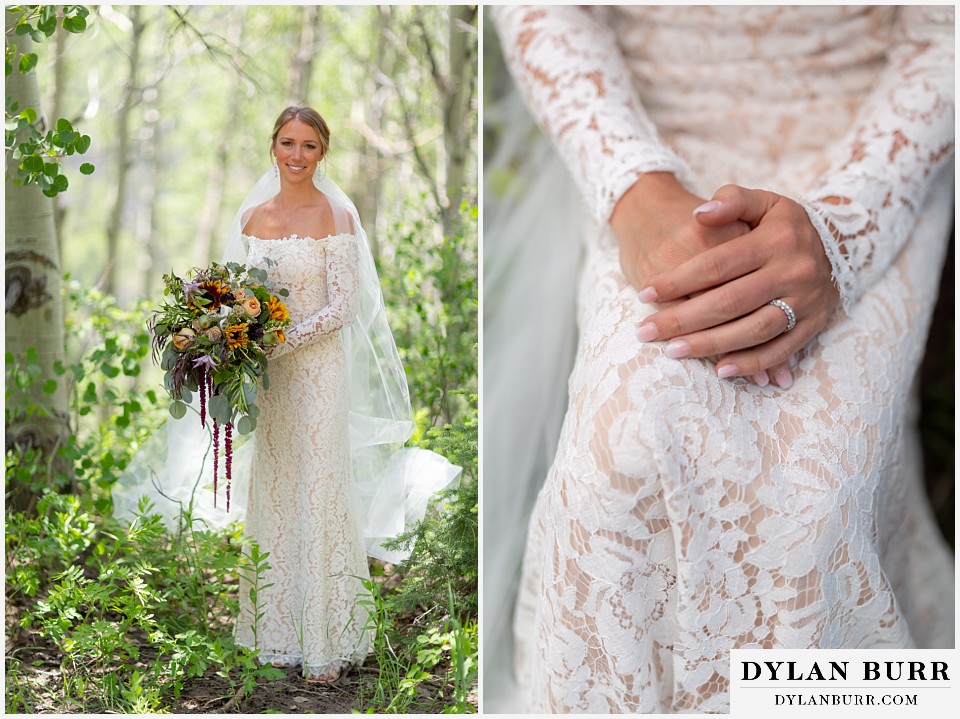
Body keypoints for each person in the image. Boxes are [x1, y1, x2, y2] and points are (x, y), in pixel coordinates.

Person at [485, 6, 954, 713]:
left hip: (868, 153)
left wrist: (838, 232)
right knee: (616, 466)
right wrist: (632, 185)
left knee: (813, 510)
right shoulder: (640, 179)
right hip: (647, 152)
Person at [115, 106, 460, 682]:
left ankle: (330, 636)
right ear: (272, 147)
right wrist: (223, 337)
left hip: (319, 373)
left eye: (308, 146)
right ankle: (273, 631)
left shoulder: (337, 215)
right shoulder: (253, 217)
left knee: (320, 486)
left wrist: (276, 341)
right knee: (274, 488)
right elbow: (230, 296)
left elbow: (342, 307)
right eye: (286, 143)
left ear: (322, 153)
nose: (296, 155)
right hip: (270, 381)